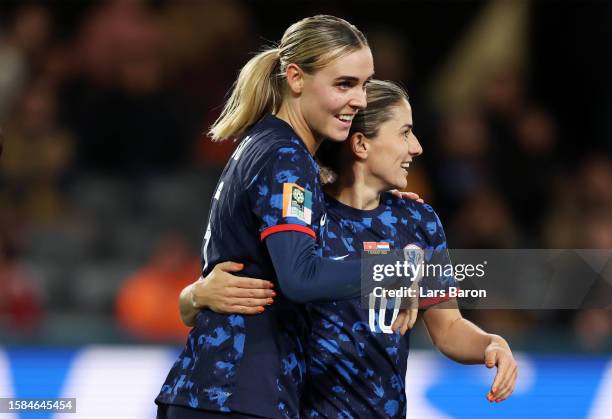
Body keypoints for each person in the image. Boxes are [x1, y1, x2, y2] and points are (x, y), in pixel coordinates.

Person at [184, 81, 518, 417]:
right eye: (404, 133)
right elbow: (249, 286)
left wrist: (489, 343)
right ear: (360, 144)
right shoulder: (301, 218)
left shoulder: (418, 222)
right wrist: (196, 295)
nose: (416, 147)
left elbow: (448, 328)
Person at [155, 15, 390, 419]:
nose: (361, 100)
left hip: (216, 391)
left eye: (364, 84)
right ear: (295, 78)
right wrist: (392, 270)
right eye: (344, 84)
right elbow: (300, 277)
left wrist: (192, 296)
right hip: (241, 395)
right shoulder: (286, 156)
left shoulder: (262, 144)